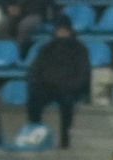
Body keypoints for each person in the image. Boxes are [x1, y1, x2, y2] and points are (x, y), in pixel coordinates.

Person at [27, 17, 91, 148]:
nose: (61, 32)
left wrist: (74, 86)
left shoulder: (80, 49)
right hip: (47, 86)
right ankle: (35, 134)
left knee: (67, 103)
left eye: (64, 30)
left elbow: (84, 72)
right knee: (33, 100)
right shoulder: (47, 48)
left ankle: (64, 140)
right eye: (59, 29)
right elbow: (35, 69)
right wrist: (36, 83)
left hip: (69, 88)